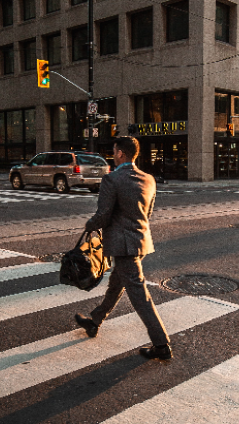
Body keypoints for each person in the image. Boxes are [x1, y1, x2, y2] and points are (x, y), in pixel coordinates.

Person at [74, 136, 172, 360]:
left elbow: (103, 215)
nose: (113, 154)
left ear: (121, 154)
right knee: (116, 285)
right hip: (140, 242)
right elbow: (147, 214)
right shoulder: (149, 179)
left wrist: (90, 225)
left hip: (123, 245)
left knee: (140, 295)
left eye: (114, 150)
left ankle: (161, 344)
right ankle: (95, 321)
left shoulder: (112, 179)